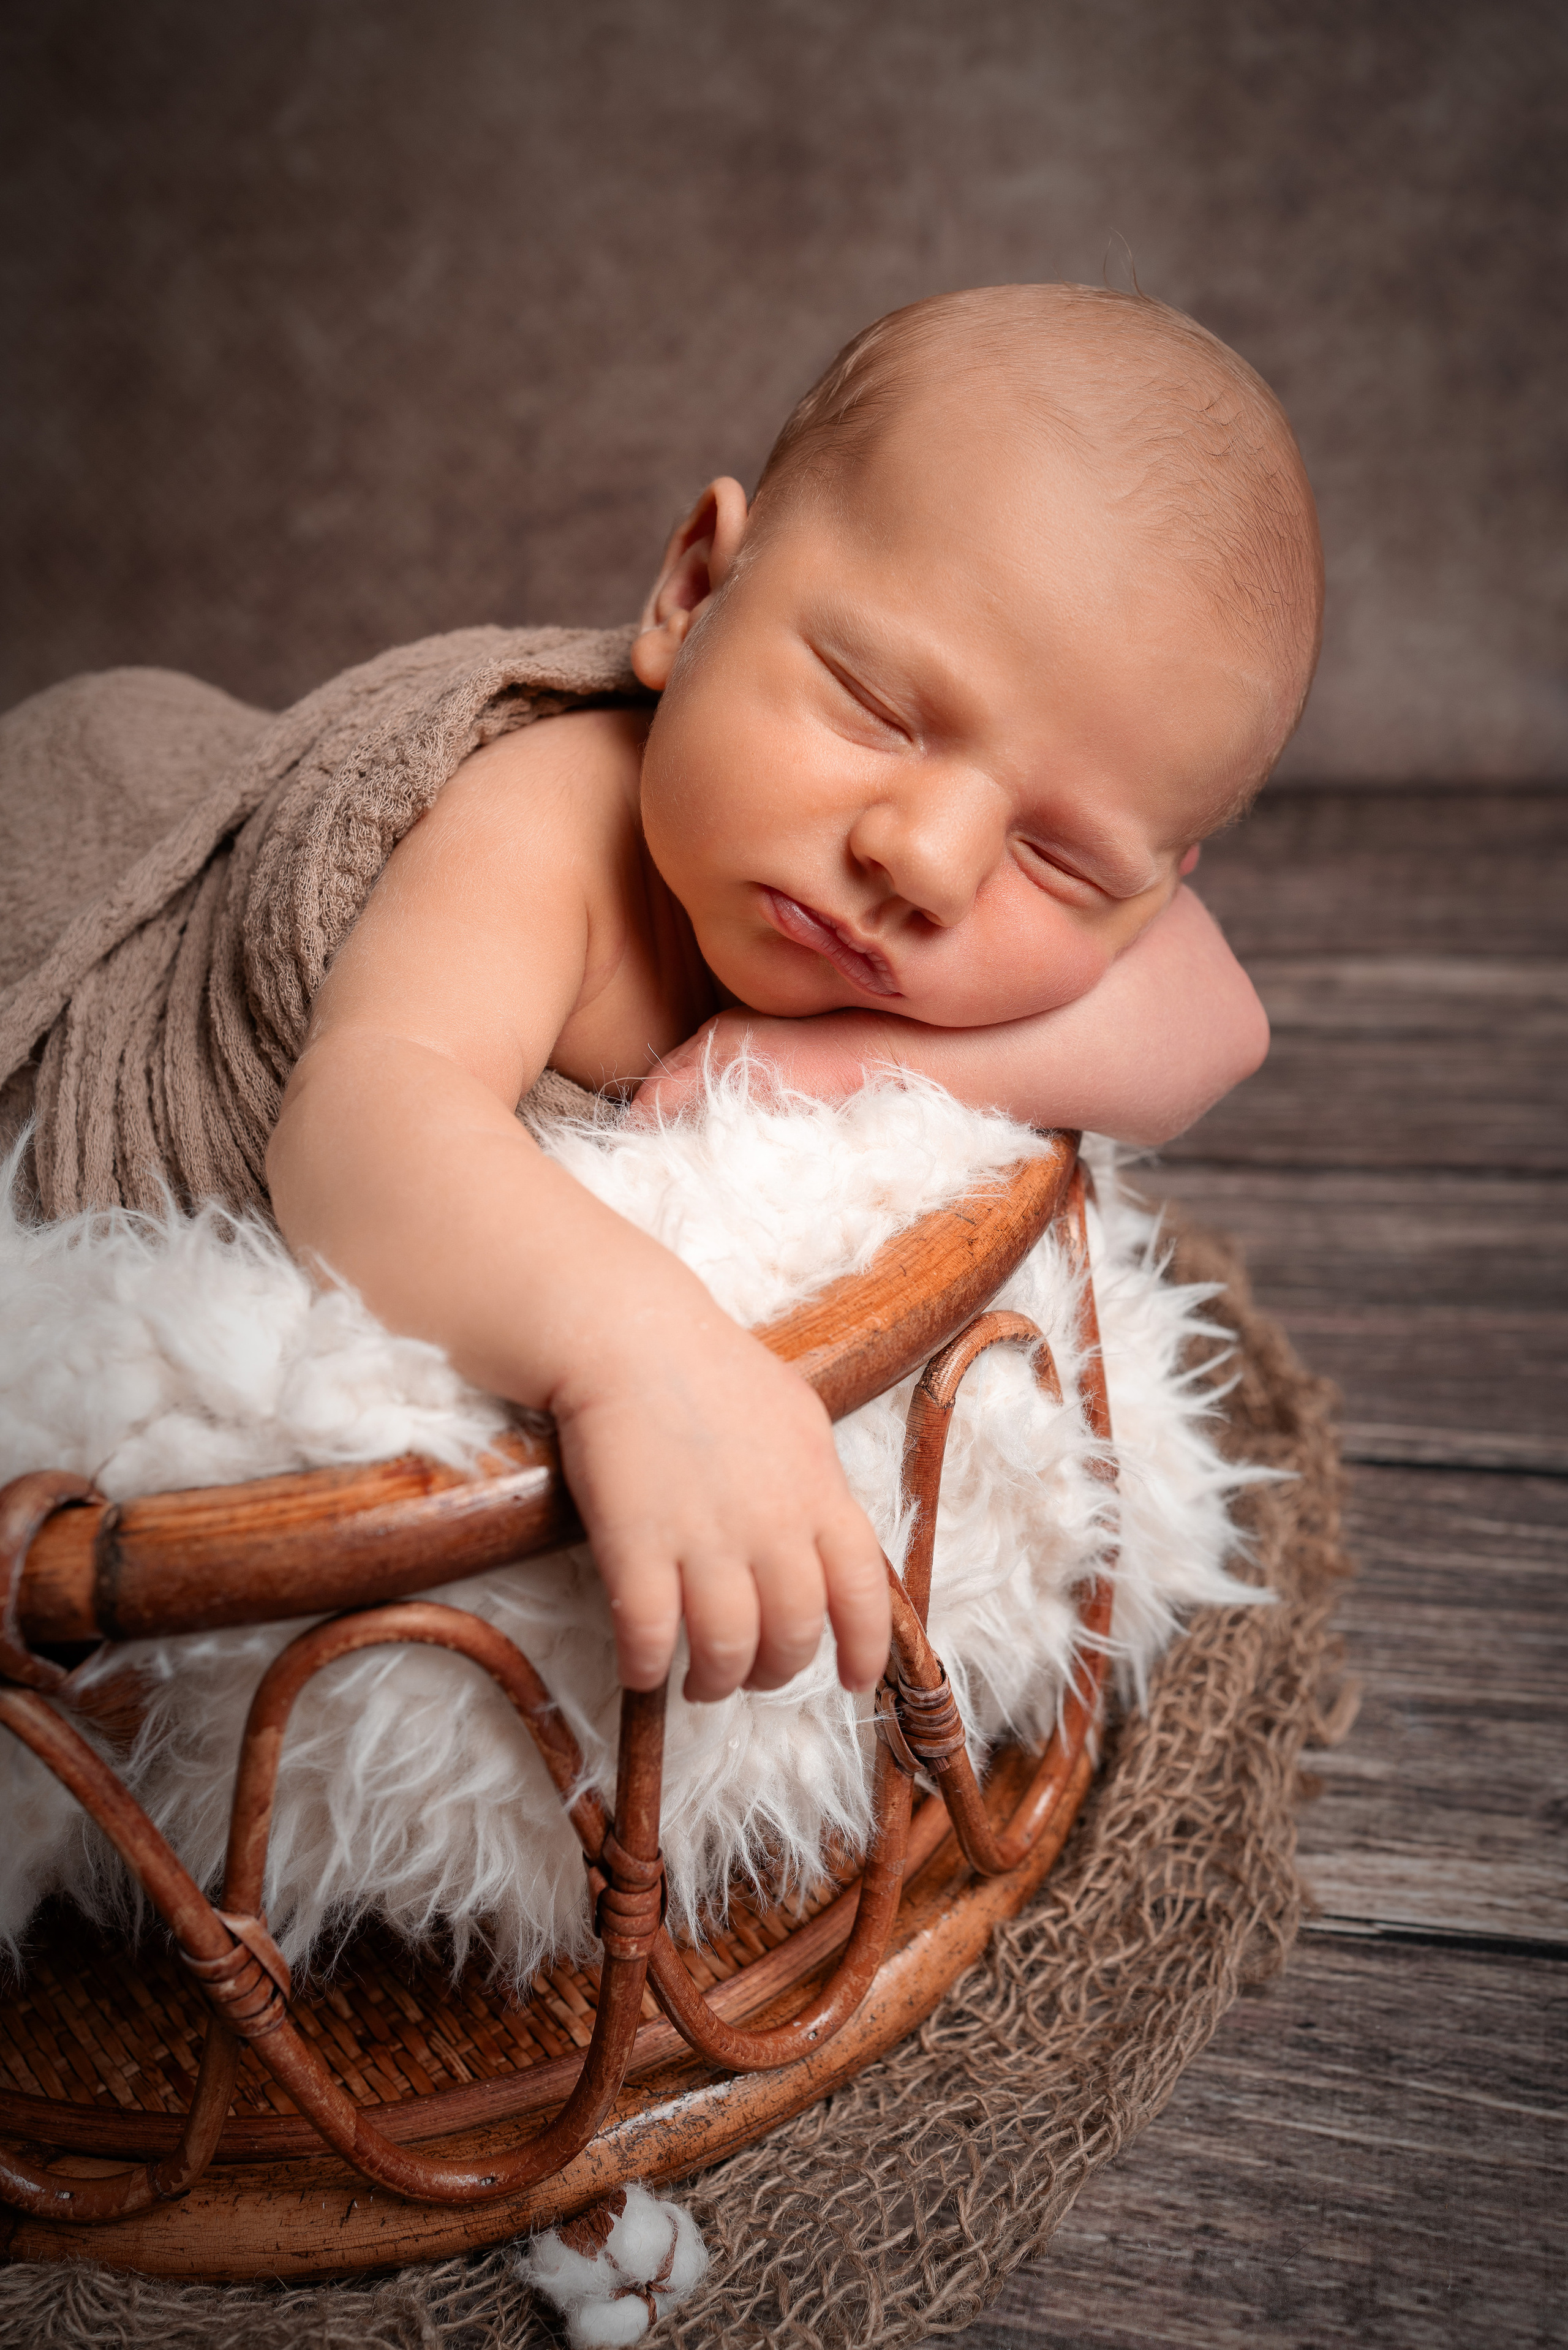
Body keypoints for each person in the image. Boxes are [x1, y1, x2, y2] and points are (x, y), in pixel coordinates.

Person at [265, 283, 1323, 1716]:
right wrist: (639, 1348)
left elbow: (1219, 1022)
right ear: (692, 591)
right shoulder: (541, 830)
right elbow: (360, 1123)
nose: (927, 861)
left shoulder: (964, 899)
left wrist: (828, 1059)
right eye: (879, 707)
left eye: (1057, 856)